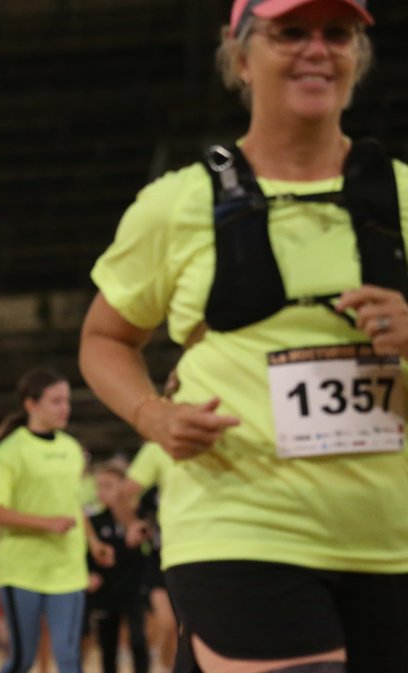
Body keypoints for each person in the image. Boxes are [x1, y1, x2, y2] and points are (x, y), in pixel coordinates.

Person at [79, 0, 408, 670]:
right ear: (240, 56)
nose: (317, 49)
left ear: (357, 56)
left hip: (390, 535)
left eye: (337, 33)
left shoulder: (403, 193)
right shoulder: (177, 204)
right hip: (240, 521)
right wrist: (151, 412)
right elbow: (105, 338)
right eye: (291, 32)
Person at [0, 368, 114, 673]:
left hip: (68, 569)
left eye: (66, 400)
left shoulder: (72, 449)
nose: (65, 407)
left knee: (69, 660)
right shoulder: (10, 452)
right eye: (56, 401)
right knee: (21, 661)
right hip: (21, 571)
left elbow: (74, 505)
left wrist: (94, 543)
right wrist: (46, 523)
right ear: (31, 404)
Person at [86, 461, 149, 673]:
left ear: (124, 487)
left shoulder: (139, 519)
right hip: (106, 592)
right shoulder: (94, 522)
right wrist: (90, 574)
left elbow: (149, 552)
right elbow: (87, 555)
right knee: (107, 648)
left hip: (134, 590)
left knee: (138, 642)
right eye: (99, 486)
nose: (102, 492)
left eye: (108, 486)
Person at [121, 442, 177, 673]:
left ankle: (170, 664)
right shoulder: (151, 494)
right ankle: (164, 666)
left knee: (185, 628)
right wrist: (134, 526)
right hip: (157, 563)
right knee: (168, 623)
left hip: (188, 560)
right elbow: (124, 499)